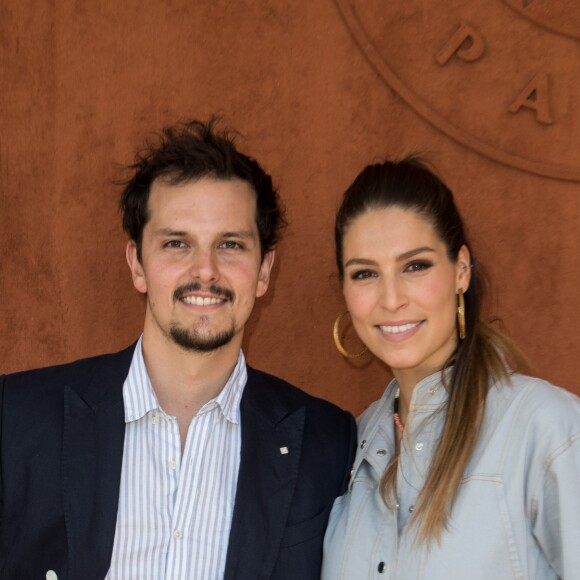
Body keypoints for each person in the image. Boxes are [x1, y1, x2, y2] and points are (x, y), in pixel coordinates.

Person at [0, 119, 356, 580]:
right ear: (137, 264)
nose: (204, 271)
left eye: (230, 244)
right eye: (176, 243)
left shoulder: (326, 443)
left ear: (264, 270)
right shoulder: (17, 420)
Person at [322, 157, 580, 579]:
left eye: (415, 266)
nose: (391, 299)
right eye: (365, 273)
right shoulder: (350, 448)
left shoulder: (546, 430)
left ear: (461, 270)